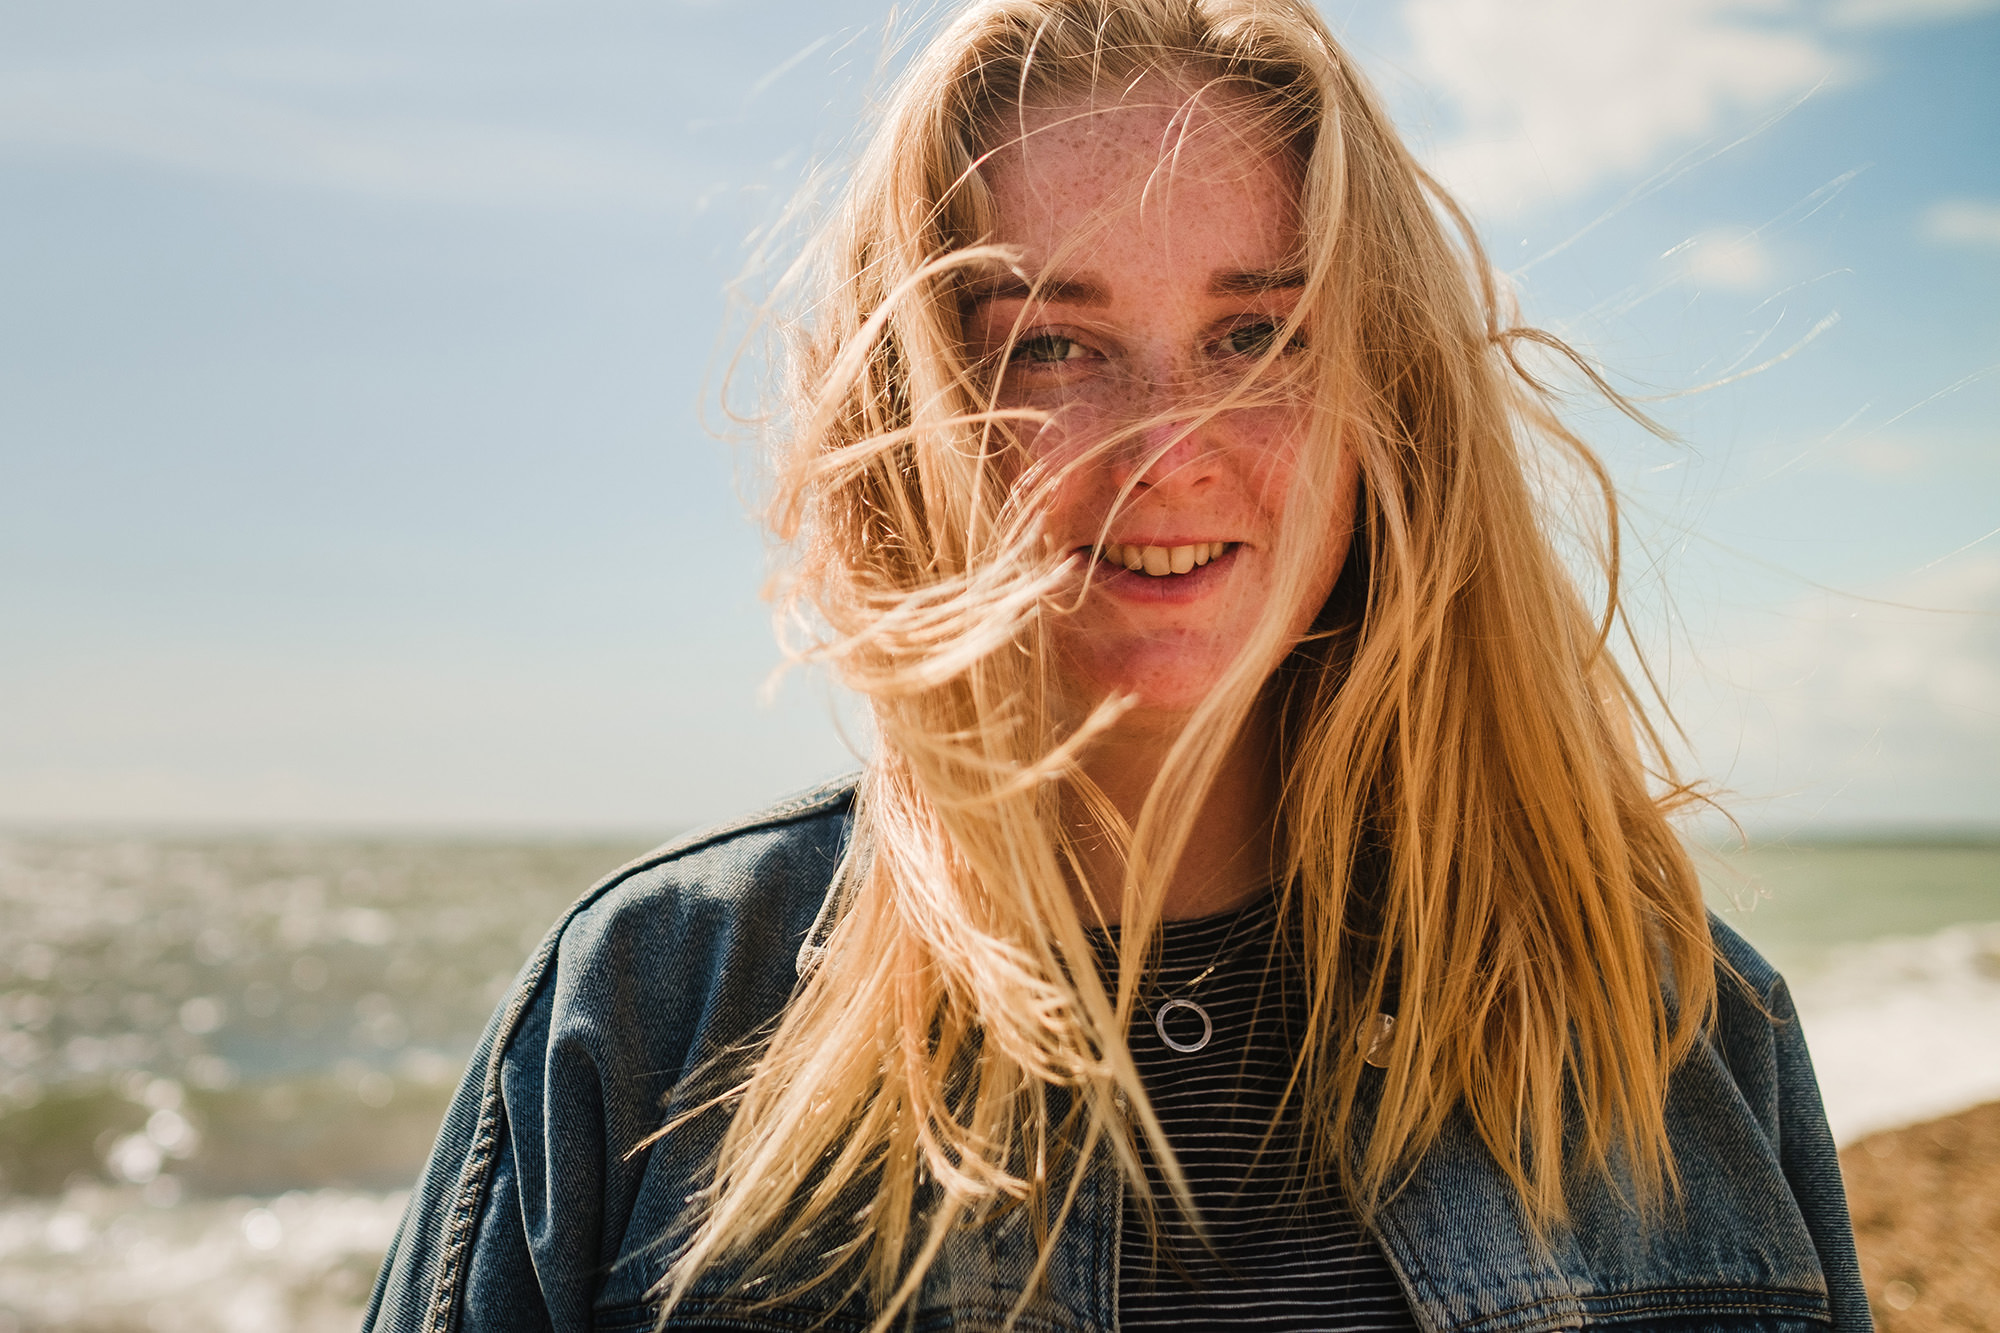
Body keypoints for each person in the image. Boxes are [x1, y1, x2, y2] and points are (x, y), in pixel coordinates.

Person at [364, 2, 1870, 1330]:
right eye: (1051, 345)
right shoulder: (640, 1016)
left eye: (1258, 335)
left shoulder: (1679, 1031)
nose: (1169, 449)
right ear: (915, 410)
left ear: (1388, 406)